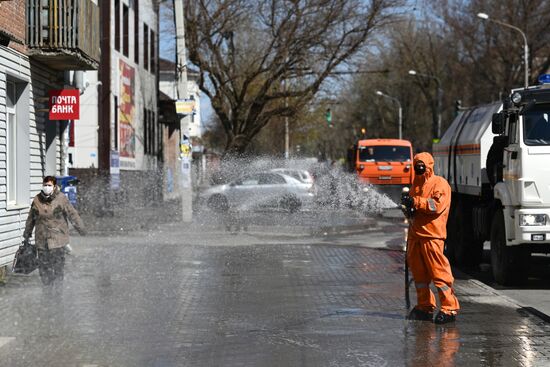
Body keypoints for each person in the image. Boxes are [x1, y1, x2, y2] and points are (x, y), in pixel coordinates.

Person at [401, 152, 459, 324]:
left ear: (429, 166)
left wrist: (416, 202)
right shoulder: (415, 185)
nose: (419, 169)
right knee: (419, 275)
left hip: (432, 236)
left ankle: (449, 308)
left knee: (439, 273)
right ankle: (424, 306)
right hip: (415, 236)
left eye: (422, 166)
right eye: (416, 166)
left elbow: (436, 205)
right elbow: (413, 209)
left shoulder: (439, 184)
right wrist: (408, 207)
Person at [23, 176, 86, 286]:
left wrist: (81, 229)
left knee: (57, 270)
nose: (46, 187)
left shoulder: (61, 199)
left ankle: (57, 295)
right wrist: (27, 234)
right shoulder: (37, 200)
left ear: (54, 186)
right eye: (45, 185)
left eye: (49, 185)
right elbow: (31, 218)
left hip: (58, 241)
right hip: (42, 241)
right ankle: (47, 292)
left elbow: (72, 215)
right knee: (44, 270)